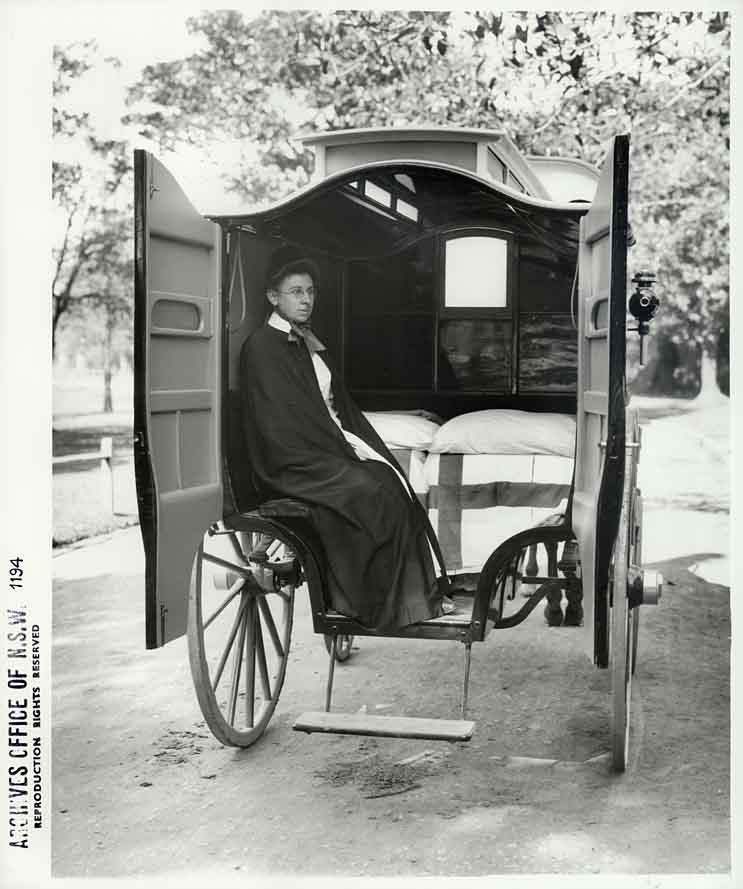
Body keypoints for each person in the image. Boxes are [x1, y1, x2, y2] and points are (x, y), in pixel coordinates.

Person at [240, 246, 452, 631]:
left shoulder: (306, 342)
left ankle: (409, 597)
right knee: (370, 489)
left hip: (321, 448)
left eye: (310, 291)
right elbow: (281, 421)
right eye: (295, 292)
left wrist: (352, 441)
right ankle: (367, 600)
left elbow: (334, 405)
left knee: (391, 480)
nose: (306, 300)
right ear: (273, 297)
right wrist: (338, 450)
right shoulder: (261, 347)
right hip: (289, 460)